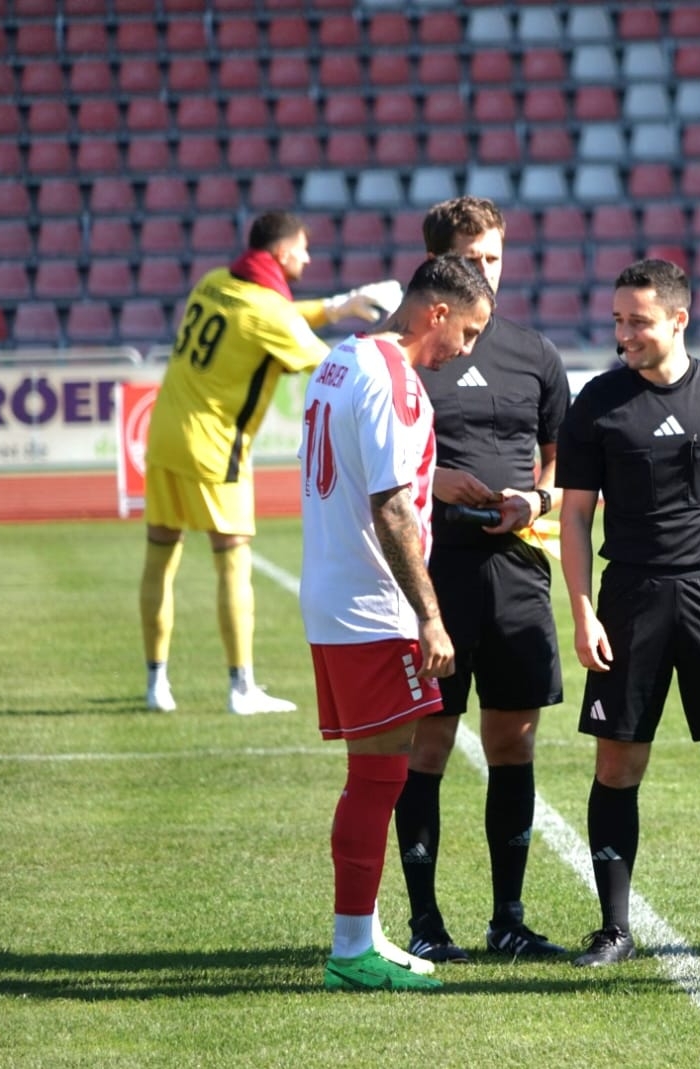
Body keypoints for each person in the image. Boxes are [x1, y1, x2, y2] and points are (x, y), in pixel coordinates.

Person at [555, 259, 700, 967]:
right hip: (629, 598)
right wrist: (582, 610)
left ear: (679, 319)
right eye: (618, 320)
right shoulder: (597, 402)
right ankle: (614, 929)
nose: (623, 333)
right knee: (617, 761)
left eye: (639, 321)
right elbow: (575, 517)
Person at [298, 256, 495, 992]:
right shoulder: (394, 380)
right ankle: (352, 948)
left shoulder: (341, 360)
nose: (465, 350)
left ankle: (364, 932)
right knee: (379, 774)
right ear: (436, 312)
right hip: (372, 603)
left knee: (375, 771)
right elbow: (390, 505)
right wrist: (430, 615)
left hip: (332, 591)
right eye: (467, 332)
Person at [391, 197, 571, 963]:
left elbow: (563, 457)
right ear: (439, 264)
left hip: (517, 569)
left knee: (513, 741)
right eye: (472, 259)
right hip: (431, 574)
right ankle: (425, 922)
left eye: (494, 257)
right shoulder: (409, 357)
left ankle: (509, 919)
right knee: (427, 743)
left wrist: (538, 497)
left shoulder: (533, 352)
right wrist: (436, 483)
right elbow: (380, 464)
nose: (486, 271)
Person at [140, 211, 402, 716]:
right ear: (281, 253)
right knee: (232, 562)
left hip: (165, 433)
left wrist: (337, 306)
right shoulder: (268, 312)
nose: (308, 257)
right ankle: (241, 688)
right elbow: (332, 365)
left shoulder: (214, 282)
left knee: (159, 558)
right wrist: (392, 331)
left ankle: (157, 683)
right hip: (215, 448)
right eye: (302, 249)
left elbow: (271, 313)